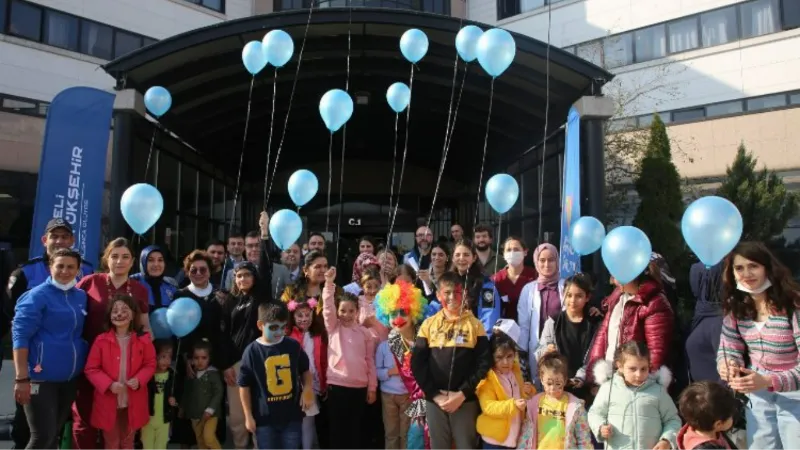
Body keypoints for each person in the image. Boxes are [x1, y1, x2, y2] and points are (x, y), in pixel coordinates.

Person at [6, 218, 94, 450]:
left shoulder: (80, 296)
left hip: (68, 379)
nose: (65, 271)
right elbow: (20, 335)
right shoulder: (36, 295)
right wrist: (21, 378)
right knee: (40, 437)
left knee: (53, 436)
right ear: (51, 267)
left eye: (70, 267)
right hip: (39, 379)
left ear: (78, 270)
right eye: (60, 267)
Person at [716, 241, 800, 450]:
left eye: (753, 266)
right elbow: (727, 349)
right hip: (758, 399)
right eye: (739, 268)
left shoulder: (792, 305)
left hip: (795, 397)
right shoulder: (736, 308)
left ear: (767, 268)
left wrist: (768, 380)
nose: (747, 273)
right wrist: (729, 367)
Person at [74, 238, 151, 450]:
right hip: (89, 364)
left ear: (133, 261)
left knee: (120, 427)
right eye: (114, 256)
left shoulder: (139, 290)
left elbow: (145, 328)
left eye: (125, 257)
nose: (119, 261)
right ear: (106, 258)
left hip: (124, 367)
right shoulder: (89, 283)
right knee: (84, 420)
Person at [411, 271, 492, 450]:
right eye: (446, 292)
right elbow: (417, 364)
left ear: (464, 293)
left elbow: (484, 363)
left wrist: (463, 393)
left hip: (465, 401)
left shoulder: (475, 325)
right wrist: (435, 395)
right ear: (439, 295)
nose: (452, 297)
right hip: (435, 401)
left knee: (466, 446)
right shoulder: (428, 324)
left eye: (457, 292)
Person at [172, 250, 232, 449]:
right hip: (188, 363)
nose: (198, 273)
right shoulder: (180, 295)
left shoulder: (220, 295)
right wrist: (184, 359)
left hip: (215, 363)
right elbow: (177, 332)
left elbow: (224, 332)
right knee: (187, 415)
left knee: (212, 413)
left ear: (210, 270)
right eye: (193, 269)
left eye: (202, 269)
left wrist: (224, 363)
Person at [218, 242, 274, 450]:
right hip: (235, 364)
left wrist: (265, 235)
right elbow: (223, 335)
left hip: (259, 360)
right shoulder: (229, 302)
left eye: (247, 275)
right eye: (239, 276)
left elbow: (266, 269)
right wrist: (225, 366)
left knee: (260, 411)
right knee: (237, 416)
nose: (243, 279)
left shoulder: (261, 297)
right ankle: (241, 446)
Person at [84, 294, 156, 450]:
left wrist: (139, 379)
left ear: (133, 315)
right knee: (111, 443)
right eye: (115, 310)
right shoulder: (101, 340)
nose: (119, 313)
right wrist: (108, 384)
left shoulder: (144, 340)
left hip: (133, 401)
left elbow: (150, 364)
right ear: (109, 316)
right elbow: (91, 368)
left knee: (128, 442)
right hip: (108, 402)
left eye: (125, 309)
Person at [238, 303, 315, 450]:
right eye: (273, 327)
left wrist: (307, 389)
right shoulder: (252, 351)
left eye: (283, 327)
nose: (279, 332)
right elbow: (244, 386)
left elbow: (305, 370)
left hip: (292, 416)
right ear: (260, 325)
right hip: (264, 419)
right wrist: (248, 416)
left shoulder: (292, 345)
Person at [586, 259, 674, 382]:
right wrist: (593, 375)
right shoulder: (617, 297)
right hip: (612, 379)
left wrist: (642, 382)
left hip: (636, 382)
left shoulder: (655, 303)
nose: (612, 279)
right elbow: (602, 337)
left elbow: (656, 352)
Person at [321, 267, 377, 450]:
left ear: (357, 311)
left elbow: (370, 361)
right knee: (337, 430)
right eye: (343, 311)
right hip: (337, 385)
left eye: (351, 311)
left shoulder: (365, 334)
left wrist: (372, 387)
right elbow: (327, 307)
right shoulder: (333, 328)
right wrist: (329, 283)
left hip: (359, 387)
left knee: (355, 430)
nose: (346, 315)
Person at [588, 341, 680, 450]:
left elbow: (672, 419)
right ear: (620, 366)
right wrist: (600, 427)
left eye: (643, 369)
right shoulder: (609, 389)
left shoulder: (658, 391)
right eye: (632, 369)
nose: (639, 374)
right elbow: (595, 413)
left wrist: (666, 440)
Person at [375, 279, 431, 450]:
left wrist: (421, 404)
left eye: (404, 312)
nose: (398, 319)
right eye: (392, 313)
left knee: (414, 438)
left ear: (414, 313)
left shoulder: (424, 337)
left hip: (428, 399)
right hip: (409, 397)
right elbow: (408, 376)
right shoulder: (393, 339)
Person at [535, 273, 600, 398]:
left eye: (579, 296)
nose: (572, 301)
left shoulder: (594, 323)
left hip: (586, 388)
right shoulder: (553, 322)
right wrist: (546, 351)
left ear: (587, 297)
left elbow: (595, 356)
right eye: (569, 295)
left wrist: (579, 378)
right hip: (557, 388)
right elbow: (538, 351)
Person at [516, 353, 593, 450]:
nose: (553, 388)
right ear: (541, 380)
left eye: (558, 384)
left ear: (565, 381)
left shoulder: (575, 406)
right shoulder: (533, 404)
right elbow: (526, 435)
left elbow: (583, 437)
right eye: (549, 383)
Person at [475, 330, 533, 450]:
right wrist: (513, 405)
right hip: (494, 441)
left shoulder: (516, 372)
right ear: (492, 357)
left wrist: (528, 391)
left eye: (509, 356)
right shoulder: (487, 379)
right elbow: (488, 407)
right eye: (499, 357)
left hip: (514, 437)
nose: (505, 362)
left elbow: (521, 398)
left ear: (515, 354)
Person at [517, 243, 564, 380]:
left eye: (551, 260)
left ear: (557, 261)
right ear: (536, 262)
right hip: (535, 348)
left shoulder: (566, 286)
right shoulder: (528, 289)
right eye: (542, 260)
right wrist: (522, 351)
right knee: (538, 385)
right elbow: (524, 324)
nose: (547, 264)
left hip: (560, 346)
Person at [286, 297, 327, 450]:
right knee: (293, 422)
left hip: (312, 383)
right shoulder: (288, 335)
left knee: (308, 420)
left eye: (307, 315)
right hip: (292, 385)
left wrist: (323, 383)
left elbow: (322, 360)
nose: (304, 319)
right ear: (293, 317)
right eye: (299, 316)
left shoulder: (318, 335)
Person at [451, 240, 501, 333]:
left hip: (474, 339)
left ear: (474, 258)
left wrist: (481, 341)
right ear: (453, 258)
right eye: (457, 255)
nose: (461, 258)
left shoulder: (486, 285)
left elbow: (489, 319)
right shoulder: (448, 282)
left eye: (466, 255)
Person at [181, 340, 224, 450]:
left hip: (211, 415)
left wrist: (210, 409)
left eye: (204, 358)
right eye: (196, 358)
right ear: (191, 359)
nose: (200, 361)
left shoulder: (212, 374)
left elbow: (218, 392)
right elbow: (187, 392)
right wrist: (182, 407)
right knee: (200, 441)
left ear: (209, 358)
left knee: (208, 438)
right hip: (195, 414)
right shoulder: (191, 374)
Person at [686, 261, 724, 383]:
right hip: (701, 395)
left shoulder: (718, 322)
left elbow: (729, 370)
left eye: (702, 277)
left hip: (714, 398)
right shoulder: (702, 316)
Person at [677, 381, 739, 450]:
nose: (732, 417)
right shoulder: (705, 447)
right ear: (718, 424)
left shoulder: (702, 424)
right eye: (730, 416)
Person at [142, 340, 176, 450]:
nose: (167, 361)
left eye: (169, 357)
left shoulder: (172, 375)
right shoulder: (147, 374)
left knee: (161, 447)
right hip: (147, 419)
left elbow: (177, 393)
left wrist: (174, 400)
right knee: (147, 446)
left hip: (163, 420)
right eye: (163, 357)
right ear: (154, 356)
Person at [492, 236, 536, 321]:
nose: (512, 253)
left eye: (516, 249)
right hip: (503, 329)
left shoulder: (535, 276)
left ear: (525, 252)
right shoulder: (496, 279)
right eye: (508, 250)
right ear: (503, 254)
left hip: (530, 327)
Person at [130, 246, 178, 311]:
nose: (156, 264)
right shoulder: (132, 282)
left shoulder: (171, 285)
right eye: (150, 260)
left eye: (160, 260)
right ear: (143, 262)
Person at [359, 267, 389, 342]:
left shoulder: (386, 300)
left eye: (376, 286)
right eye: (368, 287)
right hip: (364, 346)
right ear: (362, 287)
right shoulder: (357, 302)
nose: (373, 291)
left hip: (383, 345)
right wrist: (364, 324)